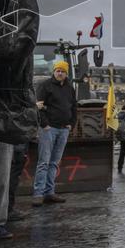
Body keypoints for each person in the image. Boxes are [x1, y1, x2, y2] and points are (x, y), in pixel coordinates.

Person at [32, 60, 78, 206]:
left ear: (66, 73)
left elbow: (73, 107)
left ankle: (49, 193)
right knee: (44, 162)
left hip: (64, 129)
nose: (60, 73)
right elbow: (38, 106)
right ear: (54, 71)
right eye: (57, 70)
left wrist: (71, 123)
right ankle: (38, 194)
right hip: (49, 129)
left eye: (62, 71)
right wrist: (44, 124)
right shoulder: (45, 85)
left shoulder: (70, 88)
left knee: (54, 163)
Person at [7, 141, 28, 221]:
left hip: (17, 145)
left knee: (12, 177)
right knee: (12, 178)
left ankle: (7, 209)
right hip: (17, 144)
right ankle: (8, 210)